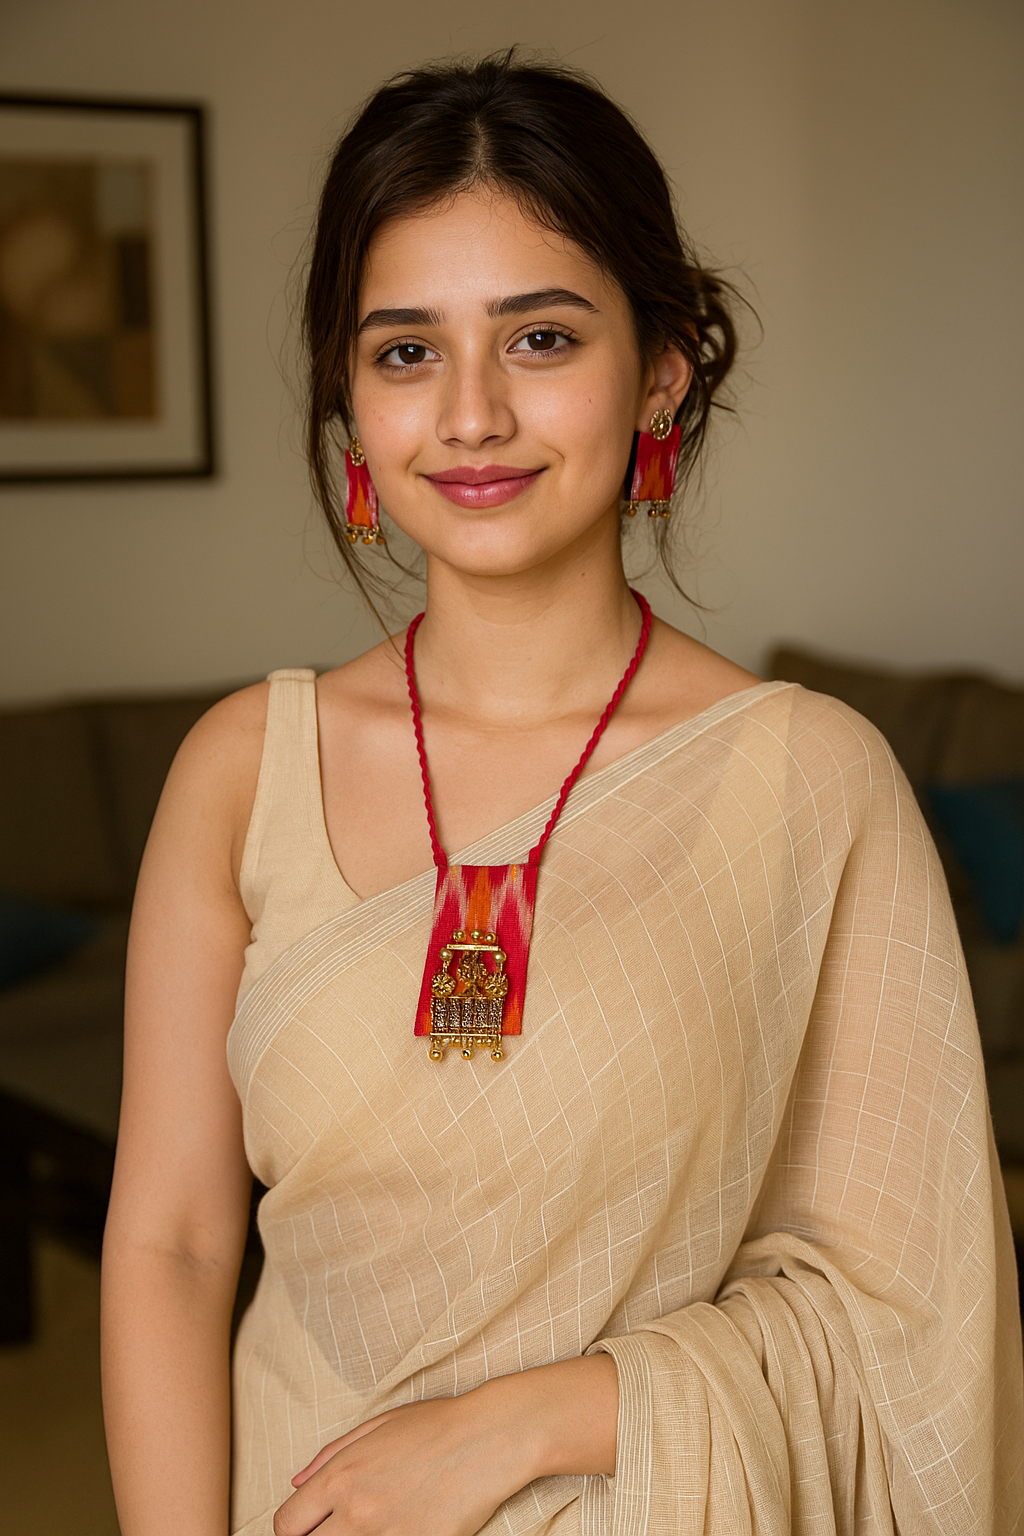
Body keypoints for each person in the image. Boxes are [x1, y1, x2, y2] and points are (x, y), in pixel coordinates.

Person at [100, 52, 1023, 1536]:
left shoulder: (808, 778)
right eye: (405, 352)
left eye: (538, 337)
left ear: (660, 368)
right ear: (348, 394)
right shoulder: (240, 770)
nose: (470, 414)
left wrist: (537, 1419)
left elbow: (915, 1317)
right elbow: (173, 1246)